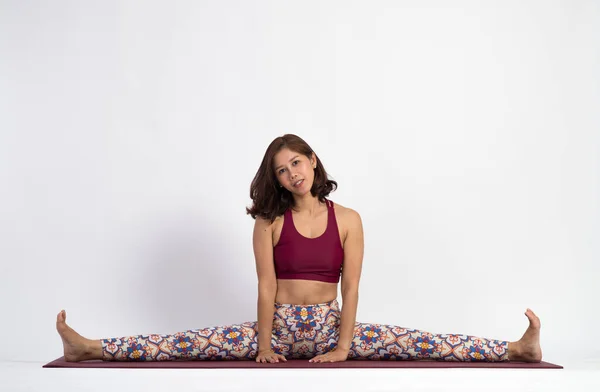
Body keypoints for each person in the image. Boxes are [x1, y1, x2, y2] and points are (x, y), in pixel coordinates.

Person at [56, 134, 543, 364]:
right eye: (282, 171)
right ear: (277, 181)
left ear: (313, 160)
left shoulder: (349, 220)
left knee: (420, 341)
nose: (293, 174)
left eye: (297, 162)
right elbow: (266, 286)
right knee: (191, 341)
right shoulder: (268, 222)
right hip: (280, 327)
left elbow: (351, 287)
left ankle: (516, 348)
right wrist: (265, 345)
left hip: (332, 326)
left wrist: (344, 347)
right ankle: (91, 347)